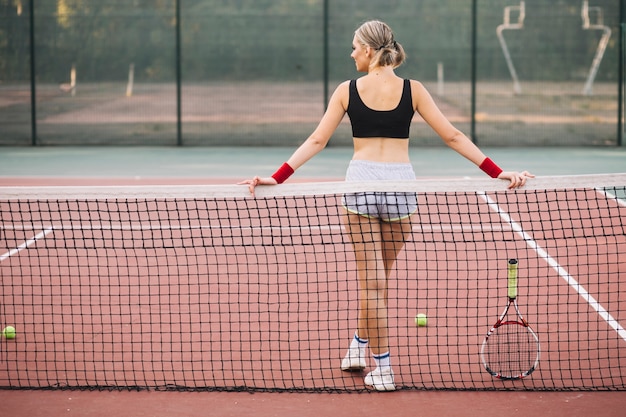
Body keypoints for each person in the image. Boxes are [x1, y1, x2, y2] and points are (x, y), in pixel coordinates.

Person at [240, 20, 533, 391]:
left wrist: (278, 176)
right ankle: (358, 347)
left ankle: (382, 367)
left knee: (372, 285)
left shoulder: (347, 90)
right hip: (400, 188)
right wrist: (497, 171)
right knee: (377, 283)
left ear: (367, 50)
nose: (351, 54)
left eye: (353, 47)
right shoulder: (414, 90)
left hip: (361, 187)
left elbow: (317, 139)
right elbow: (453, 135)